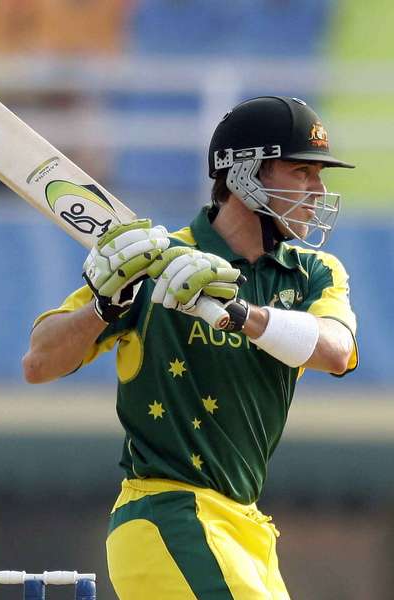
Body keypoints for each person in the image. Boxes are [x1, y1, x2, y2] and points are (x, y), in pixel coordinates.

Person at [22, 95, 359, 599]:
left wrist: (240, 314)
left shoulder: (312, 273)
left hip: (246, 529)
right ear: (244, 175)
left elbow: (335, 350)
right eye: (302, 172)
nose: (318, 191)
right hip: (167, 516)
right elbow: (38, 362)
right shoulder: (152, 262)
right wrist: (104, 307)